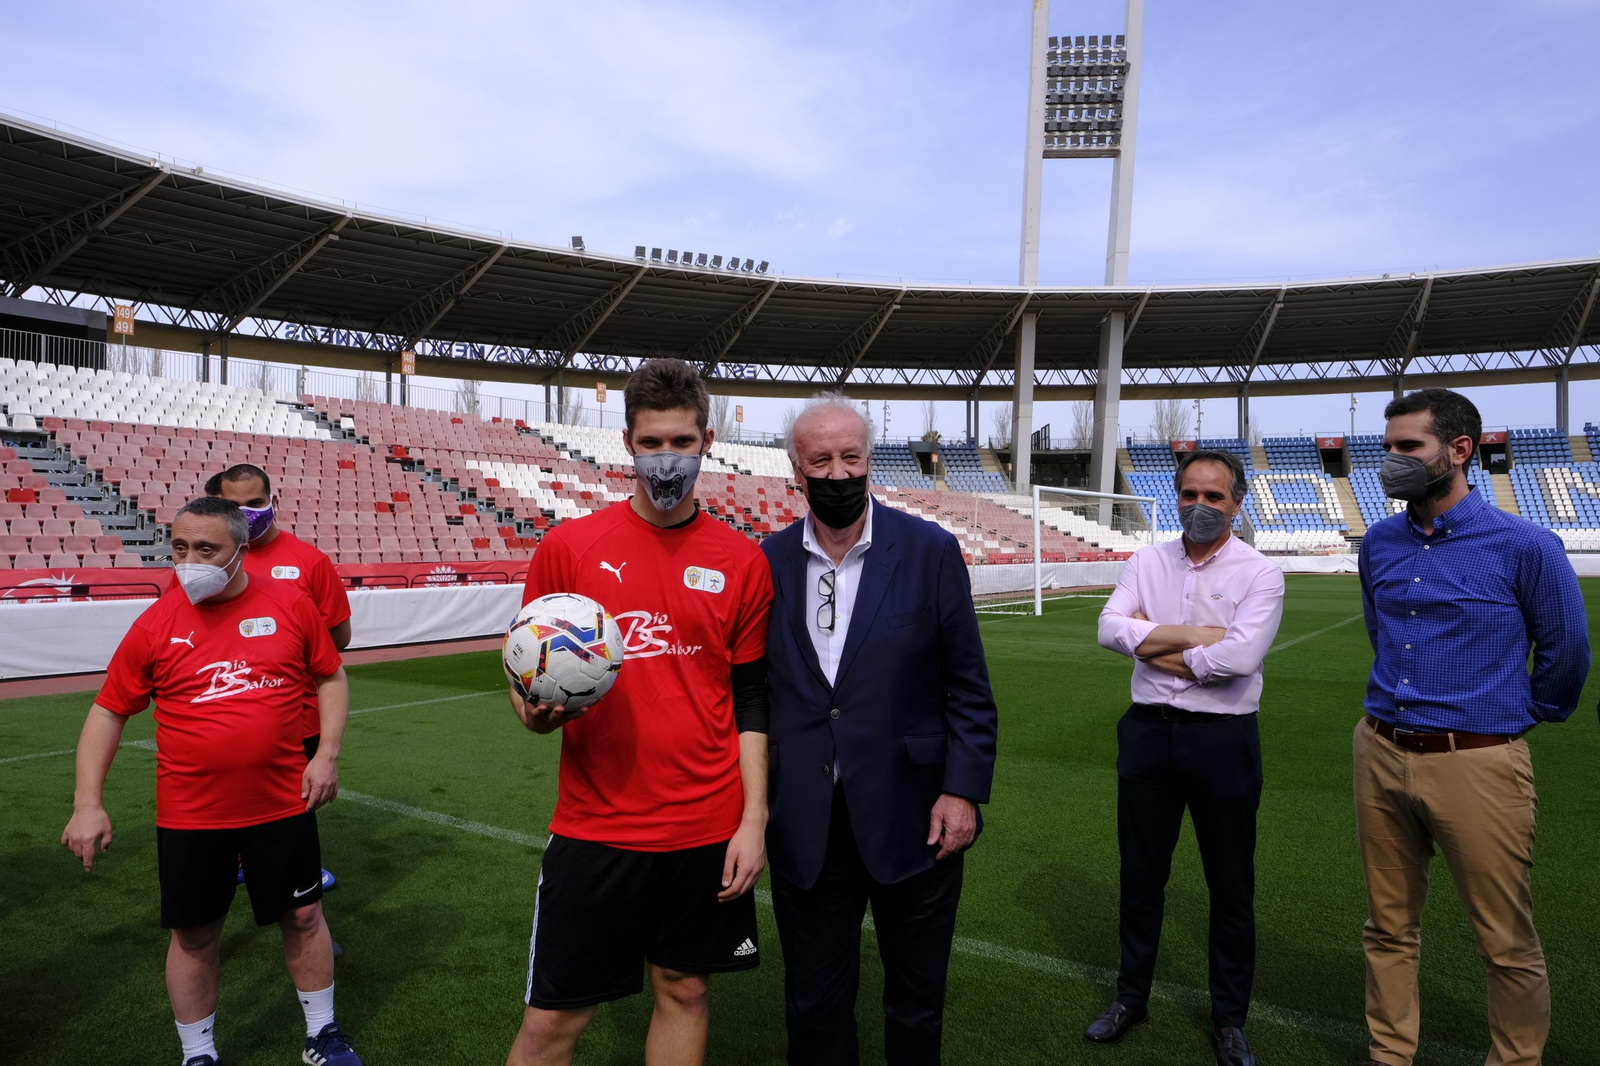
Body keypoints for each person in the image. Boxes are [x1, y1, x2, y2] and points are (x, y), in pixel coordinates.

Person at [503, 358, 774, 1066]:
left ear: (706, 442)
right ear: (626, 442)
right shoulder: (569, 548)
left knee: (684, 991)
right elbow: (524, 668)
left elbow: (750, 701)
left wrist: (752, 821)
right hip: (599, 825)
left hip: (706, 826)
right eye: (652, 443)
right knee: (550, 1025)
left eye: (681, 443)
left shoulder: (743, 560)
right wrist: (531, 716)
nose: (667, 458)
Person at [60, 496, 362, 1066]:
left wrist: (326, 753)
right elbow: (107, 710)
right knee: (196, 936)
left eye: (206, 549)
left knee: (303, 915)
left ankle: (321, 1034)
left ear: (240, 551)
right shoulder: (156, 622)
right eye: (179, 548)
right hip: (191, 814)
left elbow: (331, 675)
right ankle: (198, 1054)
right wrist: (86, 803)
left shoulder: (290, 604)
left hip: (281, 804)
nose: (190, 560)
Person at [761, 393, 998, 1066]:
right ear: (796, 470)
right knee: (814, 1009)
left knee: (916, 1006)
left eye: (851, 457)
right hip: (806, 821)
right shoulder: (767, 561)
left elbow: (969, 689)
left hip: (916, 814)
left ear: (871, 462)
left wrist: (963, 790)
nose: (838, 473)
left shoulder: (930, 551)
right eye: (821, 460)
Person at [1353, 388, 1589, 1066]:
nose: (1390, 460)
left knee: (1504, 939)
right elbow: (1382, 630)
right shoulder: (1380, 542)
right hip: (1379, 750)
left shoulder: (1526, 545)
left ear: (1459, 451)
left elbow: (1566, 653)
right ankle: (1389, 1055)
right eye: (1387, 446)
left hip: (1477, 761)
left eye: (1408, 448)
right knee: (1388, 928)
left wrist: (1505, 722)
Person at [1094, 449, 1285, 1066]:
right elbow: (1107, 627)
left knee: (1230, 886)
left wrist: (1152, 642)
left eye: (1215, 497)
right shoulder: (1147, 558)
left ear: (1237, 503)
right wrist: (1195, 637)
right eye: (1190, 495)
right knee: (1141, 876)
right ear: (1175, 496)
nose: (1200, 506)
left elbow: (1237, 661)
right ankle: (1131, 997)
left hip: (1222, 742)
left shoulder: (1259, 573)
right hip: (1147, 733)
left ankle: (1229, 1019)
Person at [208, 462, 352, 957]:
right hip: (225, 719)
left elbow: (338, 640)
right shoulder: (217, 560)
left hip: (298, 720)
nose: (247, 513)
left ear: (273, 499)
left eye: (255, 503)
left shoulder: (309, 562)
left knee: (295, 825)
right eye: (235, 506)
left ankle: (307, 922)